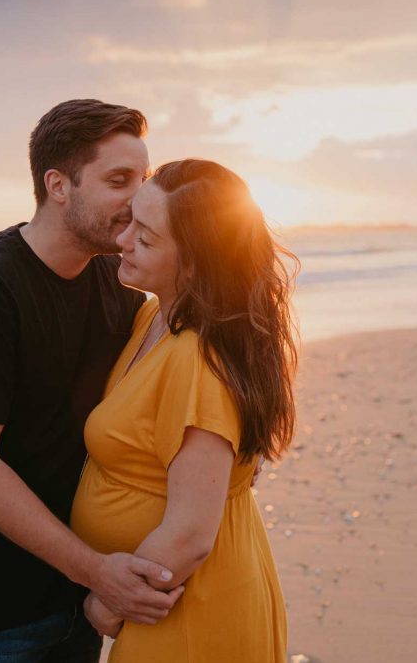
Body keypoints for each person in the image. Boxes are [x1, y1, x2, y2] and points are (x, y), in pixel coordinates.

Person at [0, 99, 183, 662]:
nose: (140, 198)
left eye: (145, 179)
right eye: (119, 180)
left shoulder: (117, 278)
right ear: (59, 185)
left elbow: (180, 346)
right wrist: (98, 571)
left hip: (79, 598)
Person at [71, 159, 299, 662]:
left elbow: (191, 534)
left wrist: (107, 604)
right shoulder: (156, 314)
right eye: (130, 220)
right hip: (173, 599)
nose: (124, 240)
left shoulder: (199, 356)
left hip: (190, 608)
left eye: (147, 238)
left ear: (195, 263)